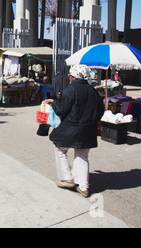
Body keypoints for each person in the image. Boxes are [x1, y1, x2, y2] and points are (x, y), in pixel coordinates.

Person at [43, 65, 104, 198]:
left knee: (60, 149)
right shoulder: (93, 91)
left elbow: (61, 109)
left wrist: (54, 103)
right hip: (88, 130)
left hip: (71, 129)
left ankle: (67, 178)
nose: (69, 77)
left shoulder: (71, 89)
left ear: (73, 77)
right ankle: (84, 187)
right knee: (82, 155)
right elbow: (101, 111)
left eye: (70, 75)